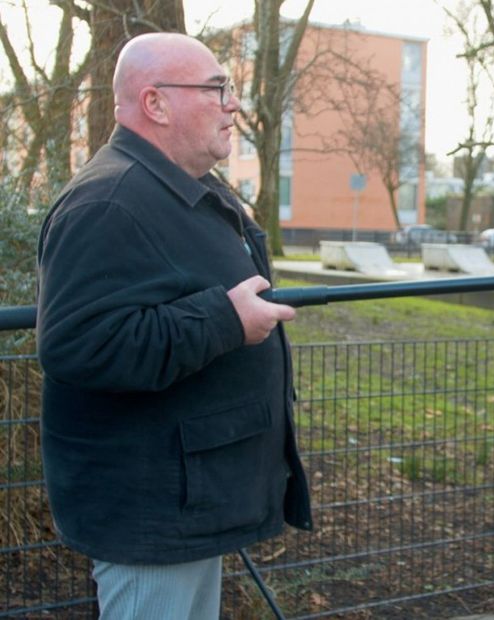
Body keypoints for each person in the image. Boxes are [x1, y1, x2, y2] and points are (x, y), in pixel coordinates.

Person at [35, 33, 312, 618]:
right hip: (150, 512)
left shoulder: (176, 189)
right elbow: (79, 345)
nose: (232, 104)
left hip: (186, 497)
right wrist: (226, 321)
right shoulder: (108, 202)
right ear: (156, 104)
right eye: (216, 89)